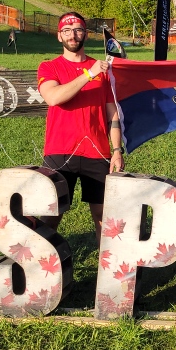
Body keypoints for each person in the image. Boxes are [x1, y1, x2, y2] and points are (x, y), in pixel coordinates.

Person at [37, 12, 123, 243]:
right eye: (67, 30)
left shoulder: (102, 69)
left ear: (85, 34)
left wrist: (117, 150)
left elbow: (111, 112)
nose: (73, 35)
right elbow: (54, 97)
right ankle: (42, 267)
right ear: (59, 36)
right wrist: (89, 74)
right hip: (60, 151)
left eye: (78, 30)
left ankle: (109, 272)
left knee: (103, 216)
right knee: (51, 215)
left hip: (97, 152)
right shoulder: (49, 67)